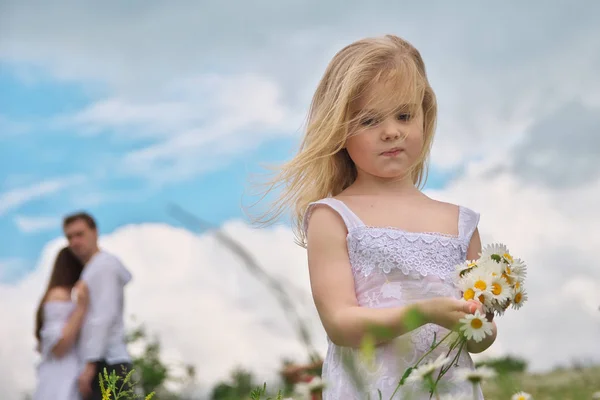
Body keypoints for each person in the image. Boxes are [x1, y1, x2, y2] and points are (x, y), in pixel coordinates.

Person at [258, 35, 497, 399]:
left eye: (404, 115)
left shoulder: (461, 224)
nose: (391, 131)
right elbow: (340, 324)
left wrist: (480, 324)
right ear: (340, 130)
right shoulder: (335, 217)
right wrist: (424, 312)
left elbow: (478, 341)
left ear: (425, 116)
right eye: (369, 120)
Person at [62, 212, 133, 400]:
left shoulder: (104, 266)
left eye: (80, 234)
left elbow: (104, 316)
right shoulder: (93, 269)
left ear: (95, 232)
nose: (75, 242)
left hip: (107, 362)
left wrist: (90, 364)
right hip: (102, 362)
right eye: (70, 237)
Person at [33, 247, 89, 400]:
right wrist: (81, 309)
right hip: (61, 380)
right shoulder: (59, 296)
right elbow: (59, 346)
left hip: (61, 376)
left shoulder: (60, 295)